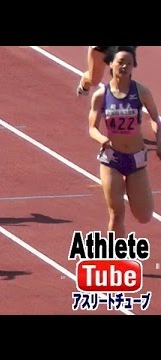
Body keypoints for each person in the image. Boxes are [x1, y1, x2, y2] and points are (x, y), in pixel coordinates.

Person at [88, 46, 161, 238]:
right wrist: (102, 139)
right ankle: (116, 258)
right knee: (117, 212)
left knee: (144, 215)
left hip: (136, 159)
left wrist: (159, 139)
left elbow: (155, 118)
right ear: (111, 64)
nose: (124, 66)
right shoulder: (101, 95)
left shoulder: (141, 91)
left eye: (129, 63)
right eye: (120, 62)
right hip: (112, 160)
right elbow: (92, 128)